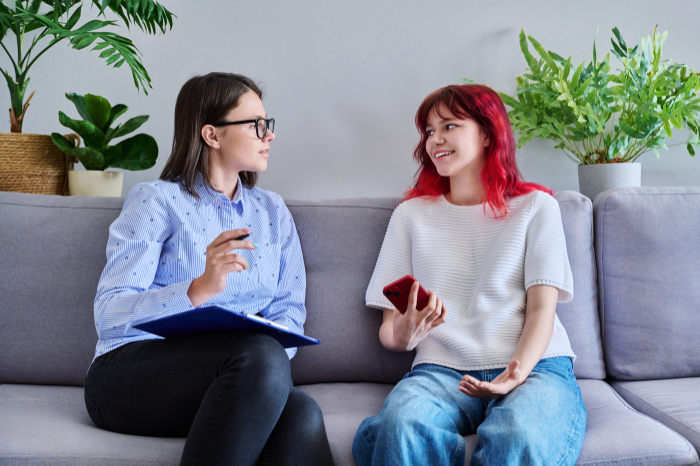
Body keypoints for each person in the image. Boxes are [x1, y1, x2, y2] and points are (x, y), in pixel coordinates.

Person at [84, 72, 334, 466]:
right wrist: (199, 287)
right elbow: (110, 315)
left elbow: (289, 313)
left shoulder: (272, 213)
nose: (268, 135)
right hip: (129, 376)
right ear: (212, 135)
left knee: (301, 412)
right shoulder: (156, 200)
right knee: (263, 358)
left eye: (267, 124)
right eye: (255, 125)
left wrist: (262, 375)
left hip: (240, 379)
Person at [353, 84, 586, 465]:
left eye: (449, 126)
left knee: (520, 435)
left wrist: (516, 373)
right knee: (400, 428)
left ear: (488, 133)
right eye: (429, 131)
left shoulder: (537, 207)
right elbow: (389, 330)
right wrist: (405, 333)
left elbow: (543, 311)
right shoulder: (410, 216)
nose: (435, 140)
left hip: (534, 366)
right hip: (440, 371)